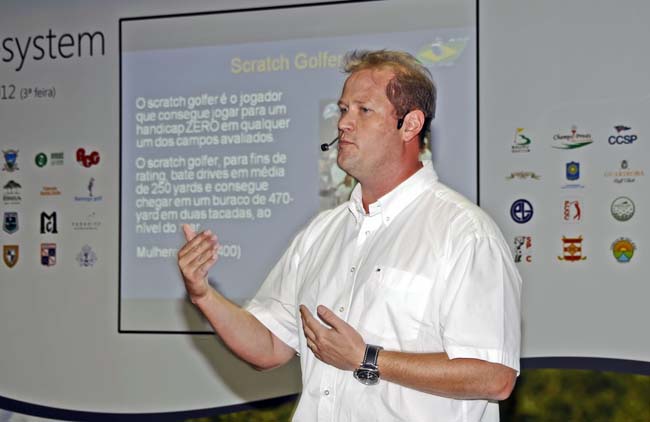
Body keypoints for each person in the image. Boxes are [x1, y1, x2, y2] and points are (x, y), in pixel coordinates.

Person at [177, 50, 522, 422]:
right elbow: (269, 347)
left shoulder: (465, 234)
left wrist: (368, 359)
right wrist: (204, 294)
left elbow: (494, 376)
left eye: (363, 110)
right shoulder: (321, 233)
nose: (343, 123)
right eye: (343, 110)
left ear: (410, 125)